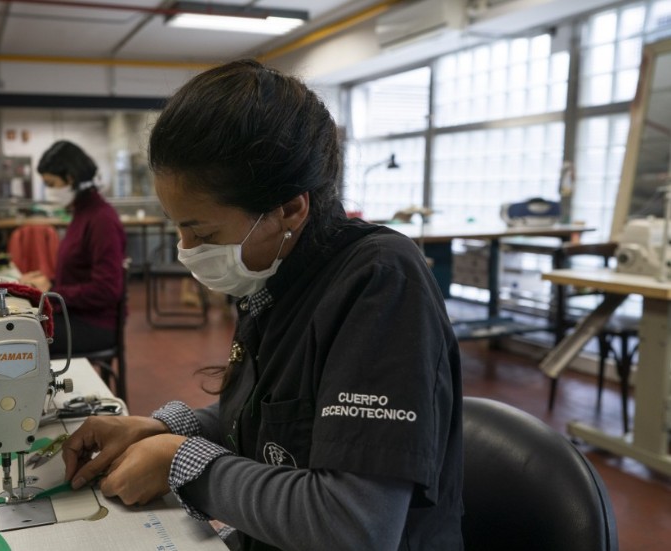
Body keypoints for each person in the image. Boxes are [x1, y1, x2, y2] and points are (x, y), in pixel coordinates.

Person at [60, 60, 463, 550]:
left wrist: (180, 462)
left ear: (290, 208)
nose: (185, 249)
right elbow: (273, 427)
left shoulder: (379, 283)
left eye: (203, 232)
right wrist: (160, 427)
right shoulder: (275, 272)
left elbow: (356, 526)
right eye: (179, 227)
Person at [19, 140, 126, 355]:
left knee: (16, 339)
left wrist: (52, 292)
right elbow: (80, 275)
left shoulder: (101, 219)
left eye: (51, 184)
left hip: (95, 324)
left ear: (70, 179)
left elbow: (107, 290)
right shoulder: (82, 213)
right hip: (74, 315)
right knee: (14, 327)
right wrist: (49, 283)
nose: (49, 191)